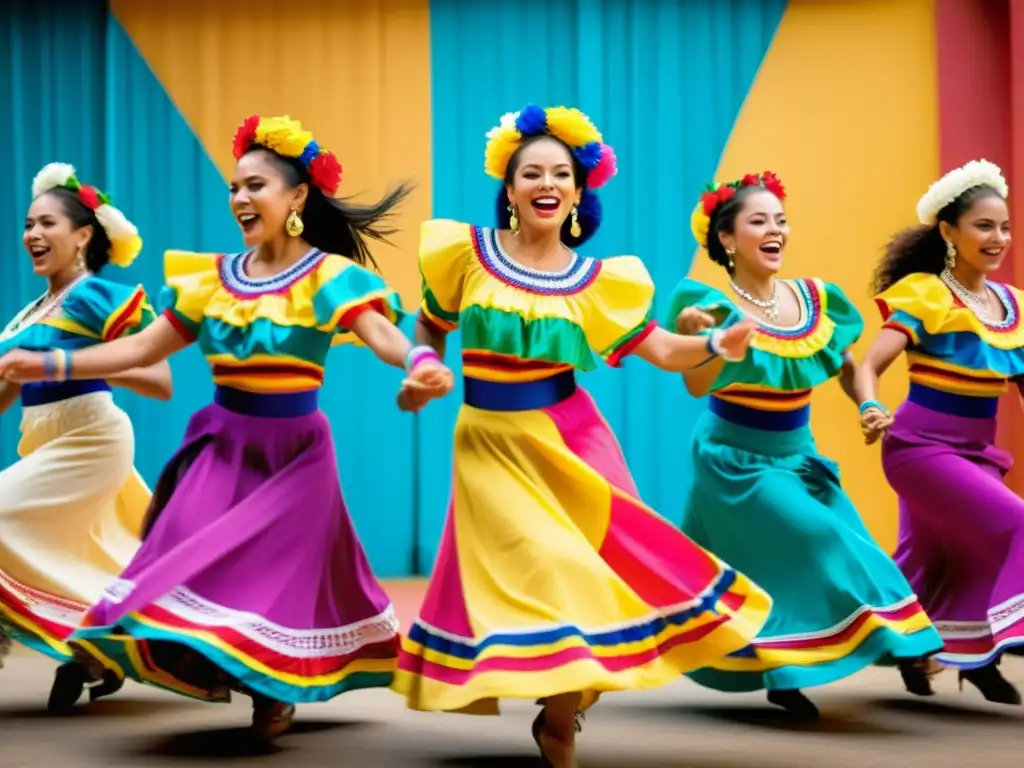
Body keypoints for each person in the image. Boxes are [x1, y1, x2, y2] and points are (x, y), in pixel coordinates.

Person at [0, 115, 454, 738]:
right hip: (220, 445)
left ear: (296, 197)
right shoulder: (211, 280)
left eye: (256, 186)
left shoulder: (329, 277)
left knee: (273, 576)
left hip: (295, 454)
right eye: (235, 187)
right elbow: (139, 352)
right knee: (180, 564)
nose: (240, 198)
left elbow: (384, 338)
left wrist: (423, 362)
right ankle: (206, 669)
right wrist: (52, 361)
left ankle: (274, 692)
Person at [390, 104, 771, 768]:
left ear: (576, 190)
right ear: (508, 189)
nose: (546, 183)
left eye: (560, 173)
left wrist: (716, 340)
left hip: (571, 439)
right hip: (489, 442)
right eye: (530, 172)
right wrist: (421, 364)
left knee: (586, 573)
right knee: (547, 569)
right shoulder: (465, 255)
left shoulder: (599, 283)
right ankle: (562, 704)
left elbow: (664, 350)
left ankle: (559, 718)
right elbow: (428, 328)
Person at [668, 171, 943, 720]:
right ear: (727, 239)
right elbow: (697, 385)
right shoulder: (710, 306)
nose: (775, 230)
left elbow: (847, 368)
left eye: (781, 220)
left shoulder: (814, 300)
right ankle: (798, 668)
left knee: (850, 540)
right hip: (735, 462)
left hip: (799, 455)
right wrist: (706, 339)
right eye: (758, 221)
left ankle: (893, 648)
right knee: (816, 536)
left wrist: (866, 403)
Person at [0, 162, 170, 712]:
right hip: (44, 443)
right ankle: (100, 648)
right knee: (88, 562)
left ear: (83, 236)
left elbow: (158, 380)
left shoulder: (98, 296)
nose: (31, 234)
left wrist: (58, 364)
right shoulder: (27, 315)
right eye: (27, 224)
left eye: (46, 222)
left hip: (92, 439)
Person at [854, 159, 1024, 705]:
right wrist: (869, 407)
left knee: (931, 560)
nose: (998, 238)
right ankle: (1008, 635)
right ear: (949, 232)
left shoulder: (1012, 306)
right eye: (983, 226)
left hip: (974, 454)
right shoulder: (926, 294)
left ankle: (944, 653)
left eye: (1004, 227)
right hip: (920, 451)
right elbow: (867, 365)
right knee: (1016, 524)